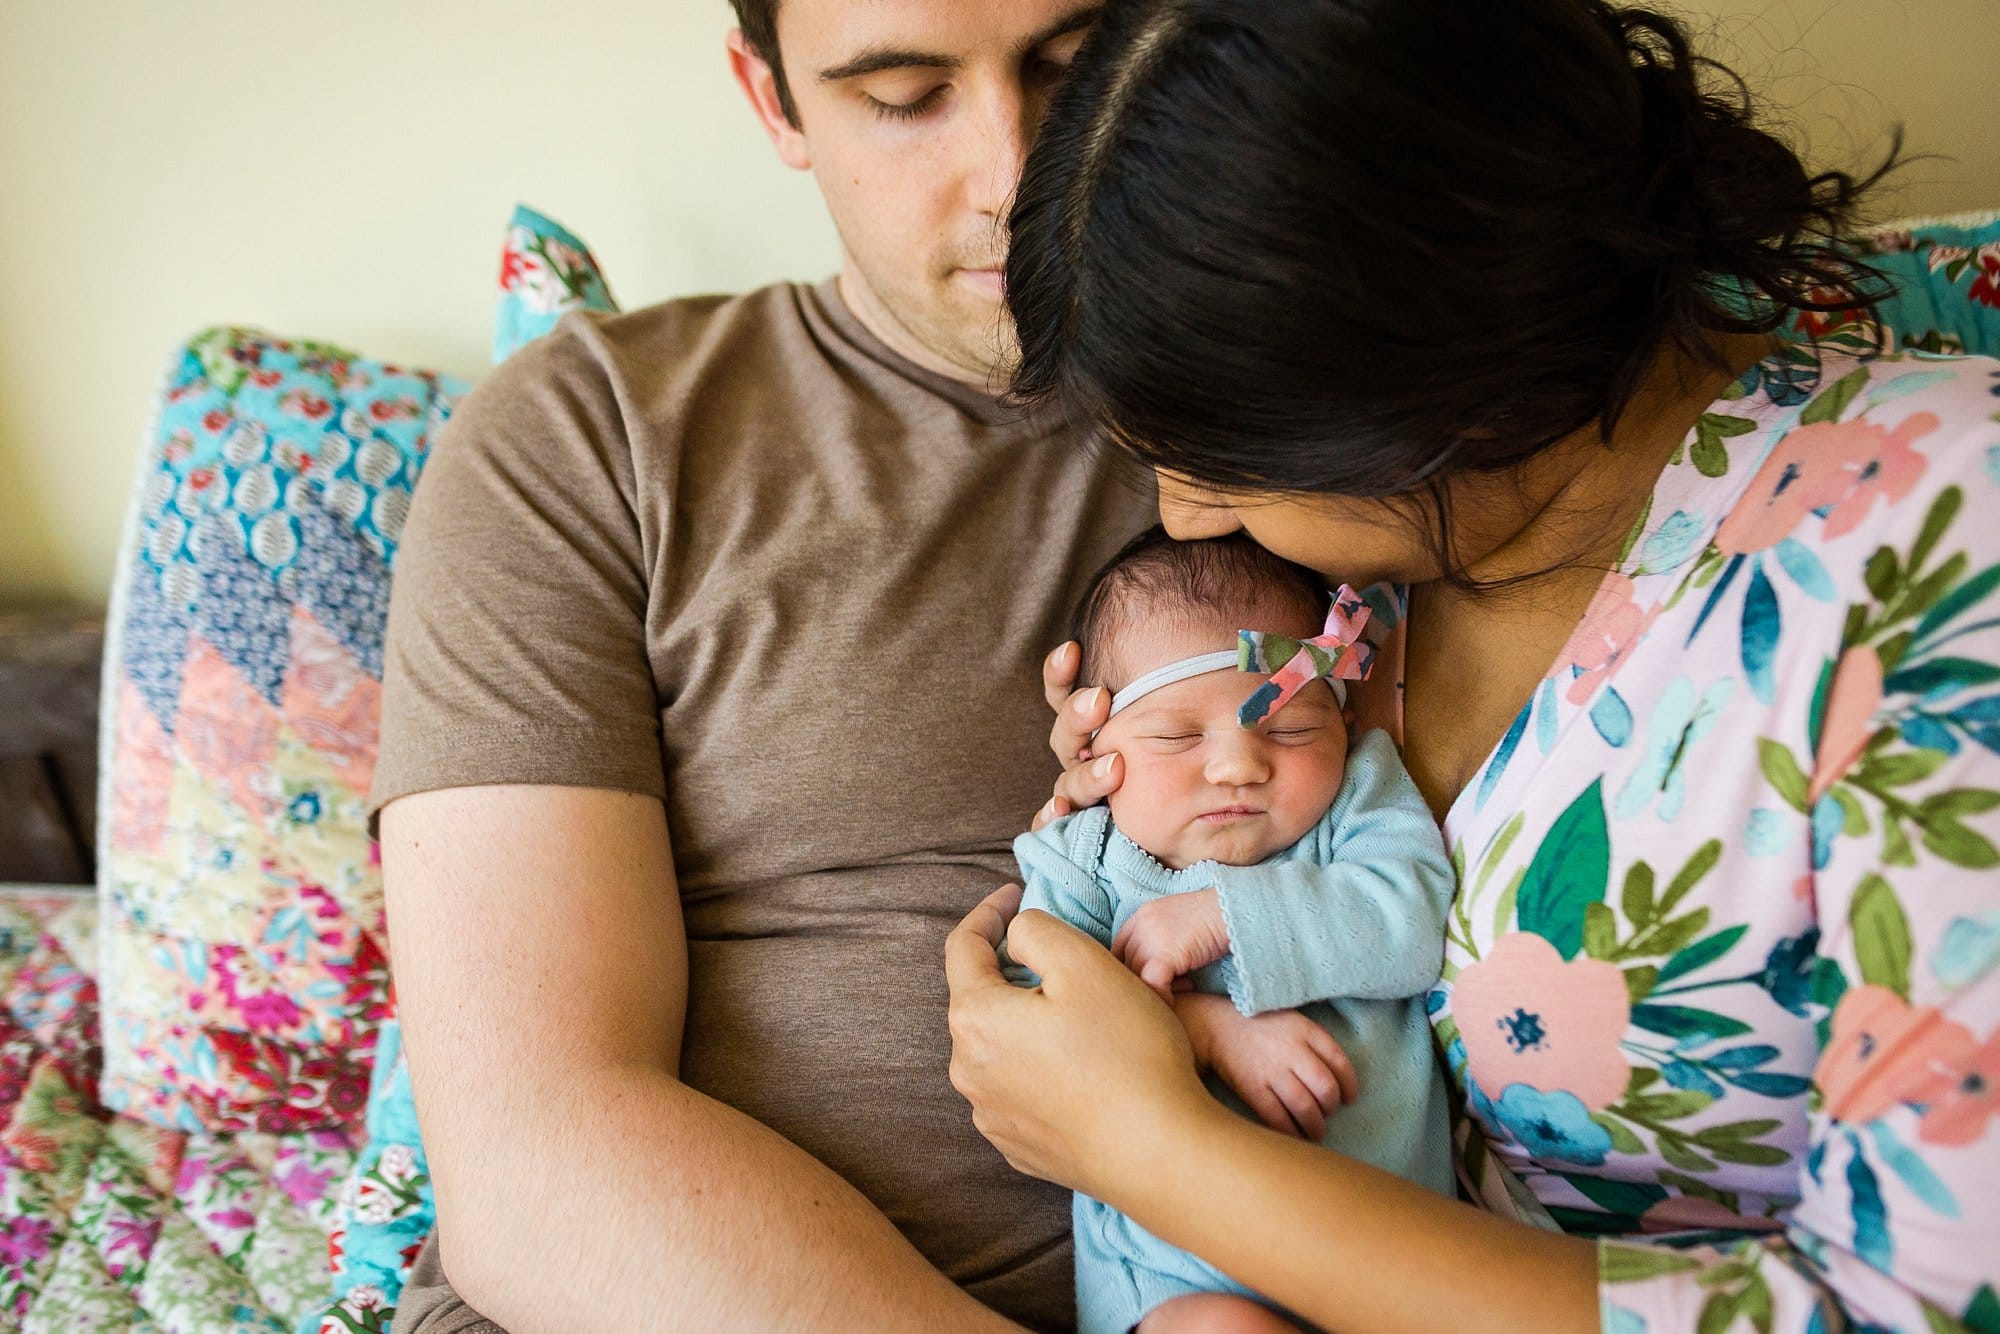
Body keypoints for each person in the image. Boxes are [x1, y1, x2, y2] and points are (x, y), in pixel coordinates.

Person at [945, 1, 2000, 1331]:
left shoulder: (1941, 545)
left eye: (1226, 459)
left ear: (1440, 384)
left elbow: (1924, 1309)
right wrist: (1149, 791)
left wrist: (1148, 1145)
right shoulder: (1353, 592)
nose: (1190, 516)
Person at [370, 2, 1156, 1330]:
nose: (1019, 174)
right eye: (904, 94)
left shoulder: (1341, 434)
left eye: (1076, 68)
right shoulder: (589, 436)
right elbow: (533, 1162)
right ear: (773, 99)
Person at [999, 529, 1455, 1332]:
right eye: (1178, 736)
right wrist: (1202, 1029)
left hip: (1405, 1270)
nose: (1239, 765)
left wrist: (1222, 918)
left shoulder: (1355, 803)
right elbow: (1037, 1032)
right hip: (1179, 1280)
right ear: (1095, 750)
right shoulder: (1085, 858)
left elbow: (1412, 920)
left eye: (1289, 728)